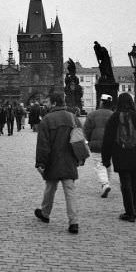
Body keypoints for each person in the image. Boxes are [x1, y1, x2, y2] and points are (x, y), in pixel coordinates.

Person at [34, 92, 81, 234]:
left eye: (48, 102)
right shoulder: (73, 118)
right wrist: (79, 158)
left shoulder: (47, 120)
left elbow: (43, 144)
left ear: (54, 103)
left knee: (50, 187)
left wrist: (41, 162)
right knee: (70, 190)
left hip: (53, 160)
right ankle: (74, 222)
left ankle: (45, 213)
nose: (46, 104)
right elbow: (79, 139)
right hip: (69, 161)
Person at [102, 93, 136, 222]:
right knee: (134, 180)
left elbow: (107, 139)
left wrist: (106, 158)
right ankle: (134, 210)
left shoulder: (114, 118)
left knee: (125, 182)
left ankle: (129, 212)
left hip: (120, 153)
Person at [83, 94, 114, 197]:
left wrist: (88, 141)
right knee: (108, 163)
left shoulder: (92, 114)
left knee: (99, 165)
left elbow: (86, 130)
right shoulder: (113, 115)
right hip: (111, 144)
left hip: (96, 144)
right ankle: (107, 183)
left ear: (101, 102)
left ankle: (105, 184)